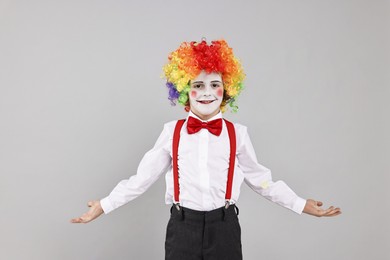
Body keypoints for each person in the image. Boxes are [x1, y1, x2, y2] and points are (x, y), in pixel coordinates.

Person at [71, 39, 341, 260]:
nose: (207, 92)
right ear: (184, 91)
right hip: (182, 228)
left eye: (215, 85)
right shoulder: (171, 132)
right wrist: (104, 205)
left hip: (224, 228)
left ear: (227, 90)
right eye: (197, 85)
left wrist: (300, 203)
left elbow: (262, 181)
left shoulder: (238, 134)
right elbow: (140, 180)